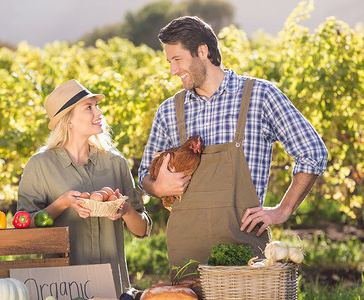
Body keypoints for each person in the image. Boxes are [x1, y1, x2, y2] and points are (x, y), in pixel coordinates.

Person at [138, 16, 328, 276]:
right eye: (169, 62)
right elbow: (143, 177)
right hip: (186, 256)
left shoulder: (260, 96)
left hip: (245, 255)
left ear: (202, 51)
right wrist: (157, 187)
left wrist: (283, 210)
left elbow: (312, 152)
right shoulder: (169, 111)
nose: (172, 70)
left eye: (177, 59)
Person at [17, 79, 152, 296]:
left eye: (97, 106)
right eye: (89, 107)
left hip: (111, 287)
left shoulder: (116, 163)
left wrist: (125, 211)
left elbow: (143, 229)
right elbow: (24, 231)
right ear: (68, 120)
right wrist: (61, 204)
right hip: (62, 287)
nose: (99, 112)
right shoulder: (40, 165)